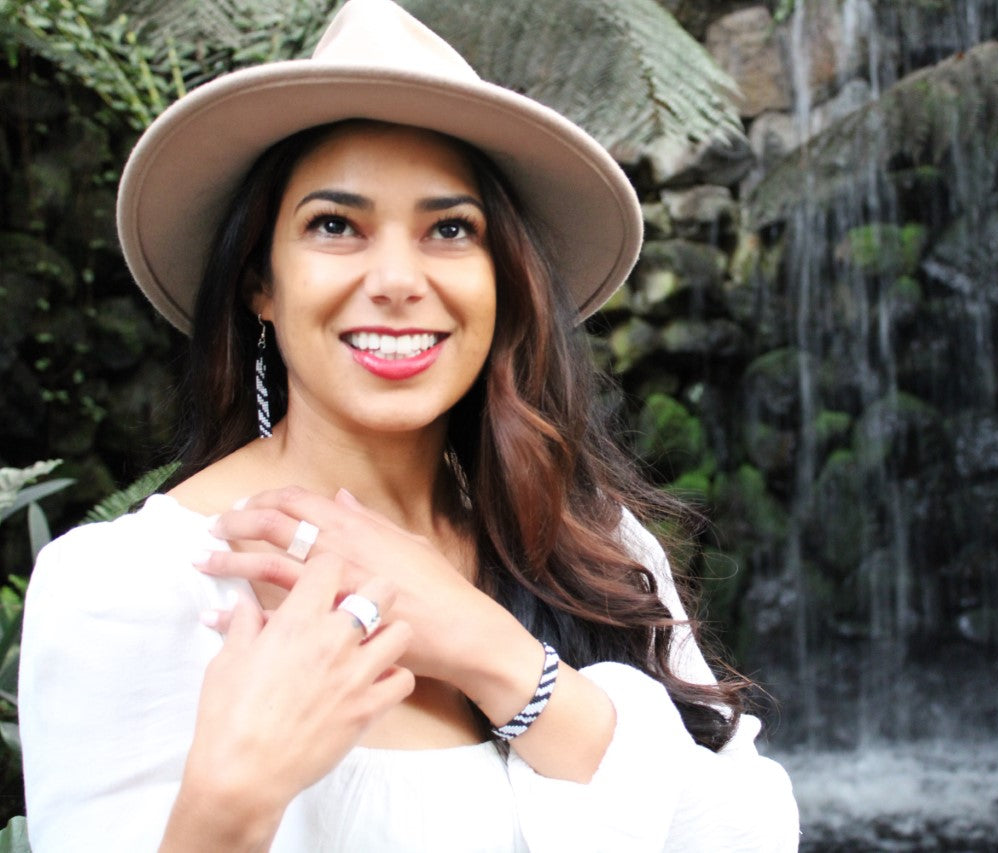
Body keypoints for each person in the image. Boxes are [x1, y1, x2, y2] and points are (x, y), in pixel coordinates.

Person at [17, 0, 799, 850]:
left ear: (503, 284)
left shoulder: (586, 547)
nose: (396, 278)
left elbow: (744, 831)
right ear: (261, 285)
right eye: (334, 225)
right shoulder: (133, 587)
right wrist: (232, 798)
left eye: (451, 229)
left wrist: (496, 654)